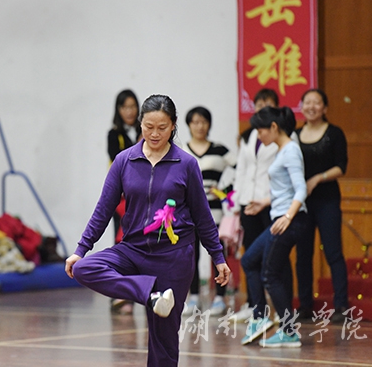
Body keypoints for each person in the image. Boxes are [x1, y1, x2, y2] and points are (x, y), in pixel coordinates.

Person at [65, 94, 230, 367]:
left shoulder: (186, 164)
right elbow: (103, 209)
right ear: (140, 123)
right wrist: (81, 250)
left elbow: (203, 216)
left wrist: (218, 256)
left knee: (164, 342)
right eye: (148, 126)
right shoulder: (124, 161)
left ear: (173, 126)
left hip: (174, 257)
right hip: (132, 250)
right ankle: (149, 292)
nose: (154, 134)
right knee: (84, 268)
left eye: (162, 128)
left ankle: (153, 294)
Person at [240, 106, 307, 348]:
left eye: (261, 131)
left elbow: (300, 189)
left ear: (274, 127)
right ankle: (260, 317)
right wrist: (265, 203)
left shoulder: (290, 151)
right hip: (281, 216)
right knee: (249, 260)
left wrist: (288, 216)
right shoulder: (282, 151)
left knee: (270, 274)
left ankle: (288, 331)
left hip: (289, 220)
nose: (259, 136)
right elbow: (285, 190)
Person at [294, 89, 349, 323]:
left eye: (317, 103)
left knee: (333, 252)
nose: (312, 107)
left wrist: (318, 178)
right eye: (307, 102)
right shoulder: (295, 135)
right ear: (301, 106)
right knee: (303, 254)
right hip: (302, 203)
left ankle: (341, 306)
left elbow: (341, 167)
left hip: (328, 201)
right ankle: (305, 305)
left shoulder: (334, 133)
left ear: (325, 108)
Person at [182, 106, 237, 316]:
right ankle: (194, 296)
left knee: (217, 253)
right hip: (188, 211)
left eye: (203, 121)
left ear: (209, 124)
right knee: (191, 255)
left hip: (214, 211)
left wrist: (225, 191)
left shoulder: (219, 150)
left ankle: (220, 298)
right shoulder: (181, 150)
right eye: (195, 122)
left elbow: (242, 169)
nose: (200, 126)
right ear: (188, 125)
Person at [231, 88, 280, 321]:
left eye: (267, 104)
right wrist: (236, 202)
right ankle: (254, 305)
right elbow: (241, 169)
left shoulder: (282, 135)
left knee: (274, 254)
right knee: (250, 253)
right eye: (258, 104)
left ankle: (281, 307)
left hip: (270, 201)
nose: (262, 108)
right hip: (248, 200)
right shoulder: (249, 135)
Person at [106, 89, 141, 315]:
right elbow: (118, 158)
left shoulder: (144, 129)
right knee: (121, 243)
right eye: (125, 107)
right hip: (121, 198)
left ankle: (141, 290)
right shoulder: (114, 134)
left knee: (143, 243)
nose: (129, 111)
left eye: (132, 106)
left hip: (142, 196)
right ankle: (120, 293)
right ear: (119, 110)